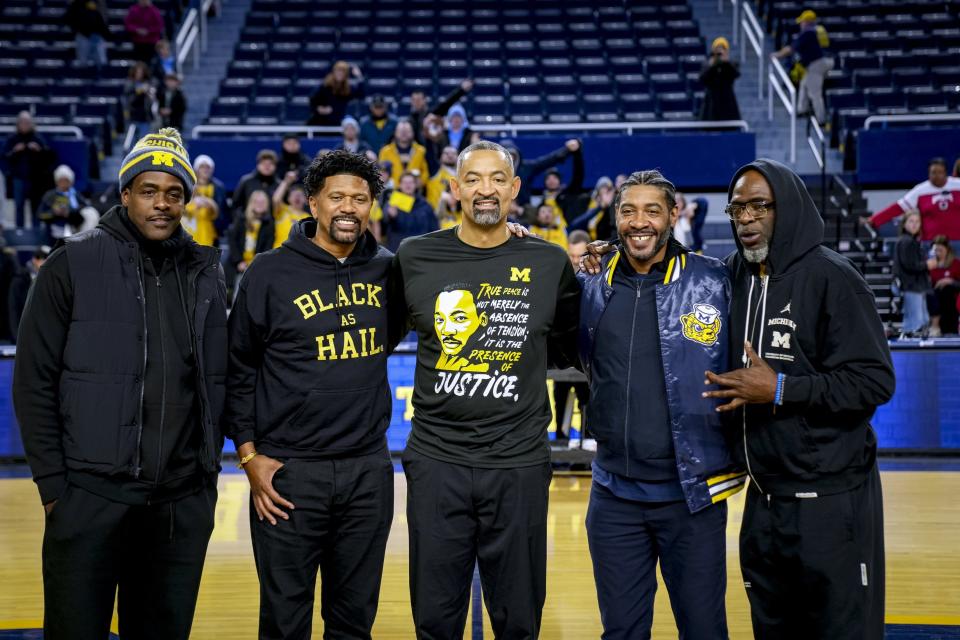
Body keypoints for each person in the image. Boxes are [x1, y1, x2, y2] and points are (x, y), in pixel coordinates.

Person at [12, 127, 227, 639]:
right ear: (125, 193)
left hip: (179, 502)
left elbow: (221, 377)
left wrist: (204, 481)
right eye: (148, 191)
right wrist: (54, 487)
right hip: (89, 496)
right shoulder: (73, 261)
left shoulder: (206, 271)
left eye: (174, 193)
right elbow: (33, 381)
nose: (161, 204)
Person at [391, 140, 581, 638]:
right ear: (454, 189)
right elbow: (377, 337)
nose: (485, 189)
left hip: (517, 463)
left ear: (515, 189)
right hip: (436, 462)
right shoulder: (414, 257)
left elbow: (566, 345)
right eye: (473, 178)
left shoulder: (548, 262)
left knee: (518, 618)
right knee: (434, 617)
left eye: (498, 178)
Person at [703, 159, 895, 639]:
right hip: (764, 501)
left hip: (830, 499)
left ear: (785, 207)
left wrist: (782, 389)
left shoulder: (835, 277)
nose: (745, 219)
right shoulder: (733, 276)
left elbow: (874, 382)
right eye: (736, 209)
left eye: (759, 207)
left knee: (840, 630)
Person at [223, 150, 396, 639]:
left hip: (367, 471)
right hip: (289, 474)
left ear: (371, 207)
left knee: (354, 620)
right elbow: (237, 369)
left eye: (360, 199)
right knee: (284, 621)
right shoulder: (268, 273)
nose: (348, 207)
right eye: (336, 196)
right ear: (312, 204)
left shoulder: (388, 270)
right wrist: (249, 454)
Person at [577, 170, 743, 639]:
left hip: (693, 497)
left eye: (653, 210)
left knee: (704, 630)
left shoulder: (716, 280)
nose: (639, 222)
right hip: (613, 497)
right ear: (615, 217)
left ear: (674, 214)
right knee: (622, 633)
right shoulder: (591, 283)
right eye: (628, 211)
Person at [553, 230, 591, 442]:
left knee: (586, 402)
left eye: (580, 256)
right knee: (560, 400)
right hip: (562, 351)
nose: (576, 261)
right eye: (572, 256)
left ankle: (587, 448)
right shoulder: (559, 275)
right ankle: (559, 442)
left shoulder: (598, 278)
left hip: (585, 353)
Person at [864, 157, 960, 241]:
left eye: (940, 172)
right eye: (933, 173)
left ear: (945, 173)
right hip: (930, 242)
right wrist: (875, 219)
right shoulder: (920, 190)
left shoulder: (957, 185)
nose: (936, 176)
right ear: (928, 173)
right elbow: (898, 207)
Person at [773, 10, 834, 124]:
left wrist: (777, 55)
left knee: (815, 93)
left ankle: (821, 120)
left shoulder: (808, 33)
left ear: (807, 22)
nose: (800, 24)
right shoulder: (816, 31)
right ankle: (802, 109)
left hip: (816, 64)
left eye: (802, 22)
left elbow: (790, 49)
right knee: (804, 83)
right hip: (820, 62)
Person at [3, 111, 51, 228]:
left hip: (35, 179)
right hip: (18, 178)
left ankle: (36, 231)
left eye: (27, 122)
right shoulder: (12, 139)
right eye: (22, 122)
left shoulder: (37, 138)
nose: (25, 125)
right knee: (19, 206)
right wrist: (15, 151)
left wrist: (38, 150)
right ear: (18, 124)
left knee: (35, 206)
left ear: (32, 124)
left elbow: (48, 156)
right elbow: (5, 157)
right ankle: (20, 231)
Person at [502, 138, 583, 206]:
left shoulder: (526, 168)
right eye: (507, 155)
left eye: (512, 155)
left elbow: (549, 160)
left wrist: (567, 149)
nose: (511, 158)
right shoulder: (493, 171)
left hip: (524, 211)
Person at [892, 211, 930, 337]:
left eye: (917, 222)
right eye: (911, 221)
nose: (914, 225)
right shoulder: (906, 241)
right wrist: (928, 265)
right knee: (915, 324)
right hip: (911, 286)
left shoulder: (910, 241)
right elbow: (909, 265)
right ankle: (908, 352)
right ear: (904, 224)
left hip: (916, 286)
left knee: (922, 321)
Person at [36, 164, 96, 242]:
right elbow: (40, 215)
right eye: (61, 180)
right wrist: (54, 213)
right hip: (54, 234)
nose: (63, 183)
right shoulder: (50, 196)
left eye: (66, 180)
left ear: (71, 182)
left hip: (75, 231)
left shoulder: (75, 195)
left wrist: (70, 212)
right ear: (56, 181)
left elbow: (86, 209)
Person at [382, 171, 437, 252]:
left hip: (421, 249)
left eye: (411, 182)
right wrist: (391, 216)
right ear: (400, 185)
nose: (408, 185)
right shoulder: (392, 202)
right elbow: (383, 223)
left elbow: (434, 228)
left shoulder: (425, 204)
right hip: (398, 248)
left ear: (415, 185)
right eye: (405, 182)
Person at [408, 79, 473, 145]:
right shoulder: (410, 120)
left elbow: (447, 102)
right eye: (414, 100)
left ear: (425, 100)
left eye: (418, 100)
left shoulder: (432, 114)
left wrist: (461, 90)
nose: (416, 102)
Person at [229, 190, 274, 279]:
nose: (259, 204)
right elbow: (233, 241)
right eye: (256, 201)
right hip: (238, 265)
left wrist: (256, 264)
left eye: (262, 202)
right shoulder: (241, 219)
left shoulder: (269, 223)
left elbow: (268, 247)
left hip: (258, 266)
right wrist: (239, 261)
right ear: (251, 203)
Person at [8, 245, 50, 340]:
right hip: (23, 334)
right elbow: (13, 310)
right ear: (35, 260)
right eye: (44, 260)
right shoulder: (19, 279)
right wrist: (17, 337)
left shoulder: (50, 279)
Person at [308, 60, 364, 127]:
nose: (340, 73)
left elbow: (361, 95)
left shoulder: (347, 90)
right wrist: (319, 109)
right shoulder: (325, 86)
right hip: (319, 123)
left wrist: (359, 77)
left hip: (336, 124)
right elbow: (312, 101)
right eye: (338, 71)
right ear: (334, 72)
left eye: (343, 72)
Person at [378, 119, 430, 187]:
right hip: (392, 191)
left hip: (413, 192)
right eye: (401, 131)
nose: (404, 133)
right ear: (395, 133)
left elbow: (425, 172)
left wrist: (419, 183)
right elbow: (381, 173)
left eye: (407, 131)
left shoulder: (421, 151)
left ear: (413, 133)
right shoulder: (385, 151)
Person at [189, 154, 228, 242]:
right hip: (190, 230)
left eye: (208, 167)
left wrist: (210, 204)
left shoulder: (219, 188)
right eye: (202, 166)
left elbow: (223, 212)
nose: (205, 169)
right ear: (196, 169)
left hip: (210, 232)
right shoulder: (188, 186)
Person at [700, 37, 741, 121]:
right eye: (717, 49)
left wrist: (726, 63)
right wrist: (712, 65)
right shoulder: (708, 63)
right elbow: (702, 79)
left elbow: (736, 75)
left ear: (727, 51)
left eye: (723, 49)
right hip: (711, 104)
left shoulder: (732, 64)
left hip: (728, 104)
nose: (719, 52)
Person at [927, 234, 960, 336]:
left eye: (941, 250)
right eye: (936, 250)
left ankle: (950, 330)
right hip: (935, 296)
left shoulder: (955, 264)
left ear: (947, 249)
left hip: (951, 297)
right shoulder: (930, 264)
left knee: (947, 290)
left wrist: (950, 281)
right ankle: (935, 327)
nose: (938, 253)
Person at [232, 149, 280, 218]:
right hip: (248, 223)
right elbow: (236, 205)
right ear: (258, 165)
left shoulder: (279, 185)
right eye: (263, 163)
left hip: (272, 226)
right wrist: (241, 221)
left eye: (270, 164)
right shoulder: (246, 181)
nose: (267, 166)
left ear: (275, 166)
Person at [569, 176, 617, 242]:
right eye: (602, 191)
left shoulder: (613, 209)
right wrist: (600, 207)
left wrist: (609, 206)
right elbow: (575, 224)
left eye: (608, 191)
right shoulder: (588, 204)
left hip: (605, 244)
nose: (605, 196)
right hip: (588, 242)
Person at [270, 171, 311, 246]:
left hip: (297, 255)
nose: (297, 196)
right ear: (288, 199)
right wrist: (286, 181)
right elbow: (276, 200)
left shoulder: (309, 218)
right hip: (279, 254)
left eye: (300, 195)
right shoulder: (283, 210)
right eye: (294, 194)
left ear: (306, 200)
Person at [65, 0, 109, 70]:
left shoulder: (99, 2)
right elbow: (70, 16)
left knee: (101, 62)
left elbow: (104, 16)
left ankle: (100, 78)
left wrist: (102, 30)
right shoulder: (76, 3)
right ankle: (83, 77)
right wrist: (77, 29)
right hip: (82, 35)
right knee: (83, 62)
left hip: (97, 35)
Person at [123, 62, 156, 141]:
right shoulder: (129, 83)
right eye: (137, 72)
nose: (139, 74)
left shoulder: (149, 83)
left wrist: (149, 92)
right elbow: (130, 99)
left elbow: (152, 97)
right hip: (133, 116)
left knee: (144, 141)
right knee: (131, 141)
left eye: (141, 72)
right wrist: (139, 91)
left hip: (145, 116)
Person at [425, 145, 458, 211]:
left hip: (456, 217)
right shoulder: (434, 170)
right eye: (446, 153)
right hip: (435, 215)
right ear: (440, 156)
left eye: (453, 153)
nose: (450, 156)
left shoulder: (463, 175)